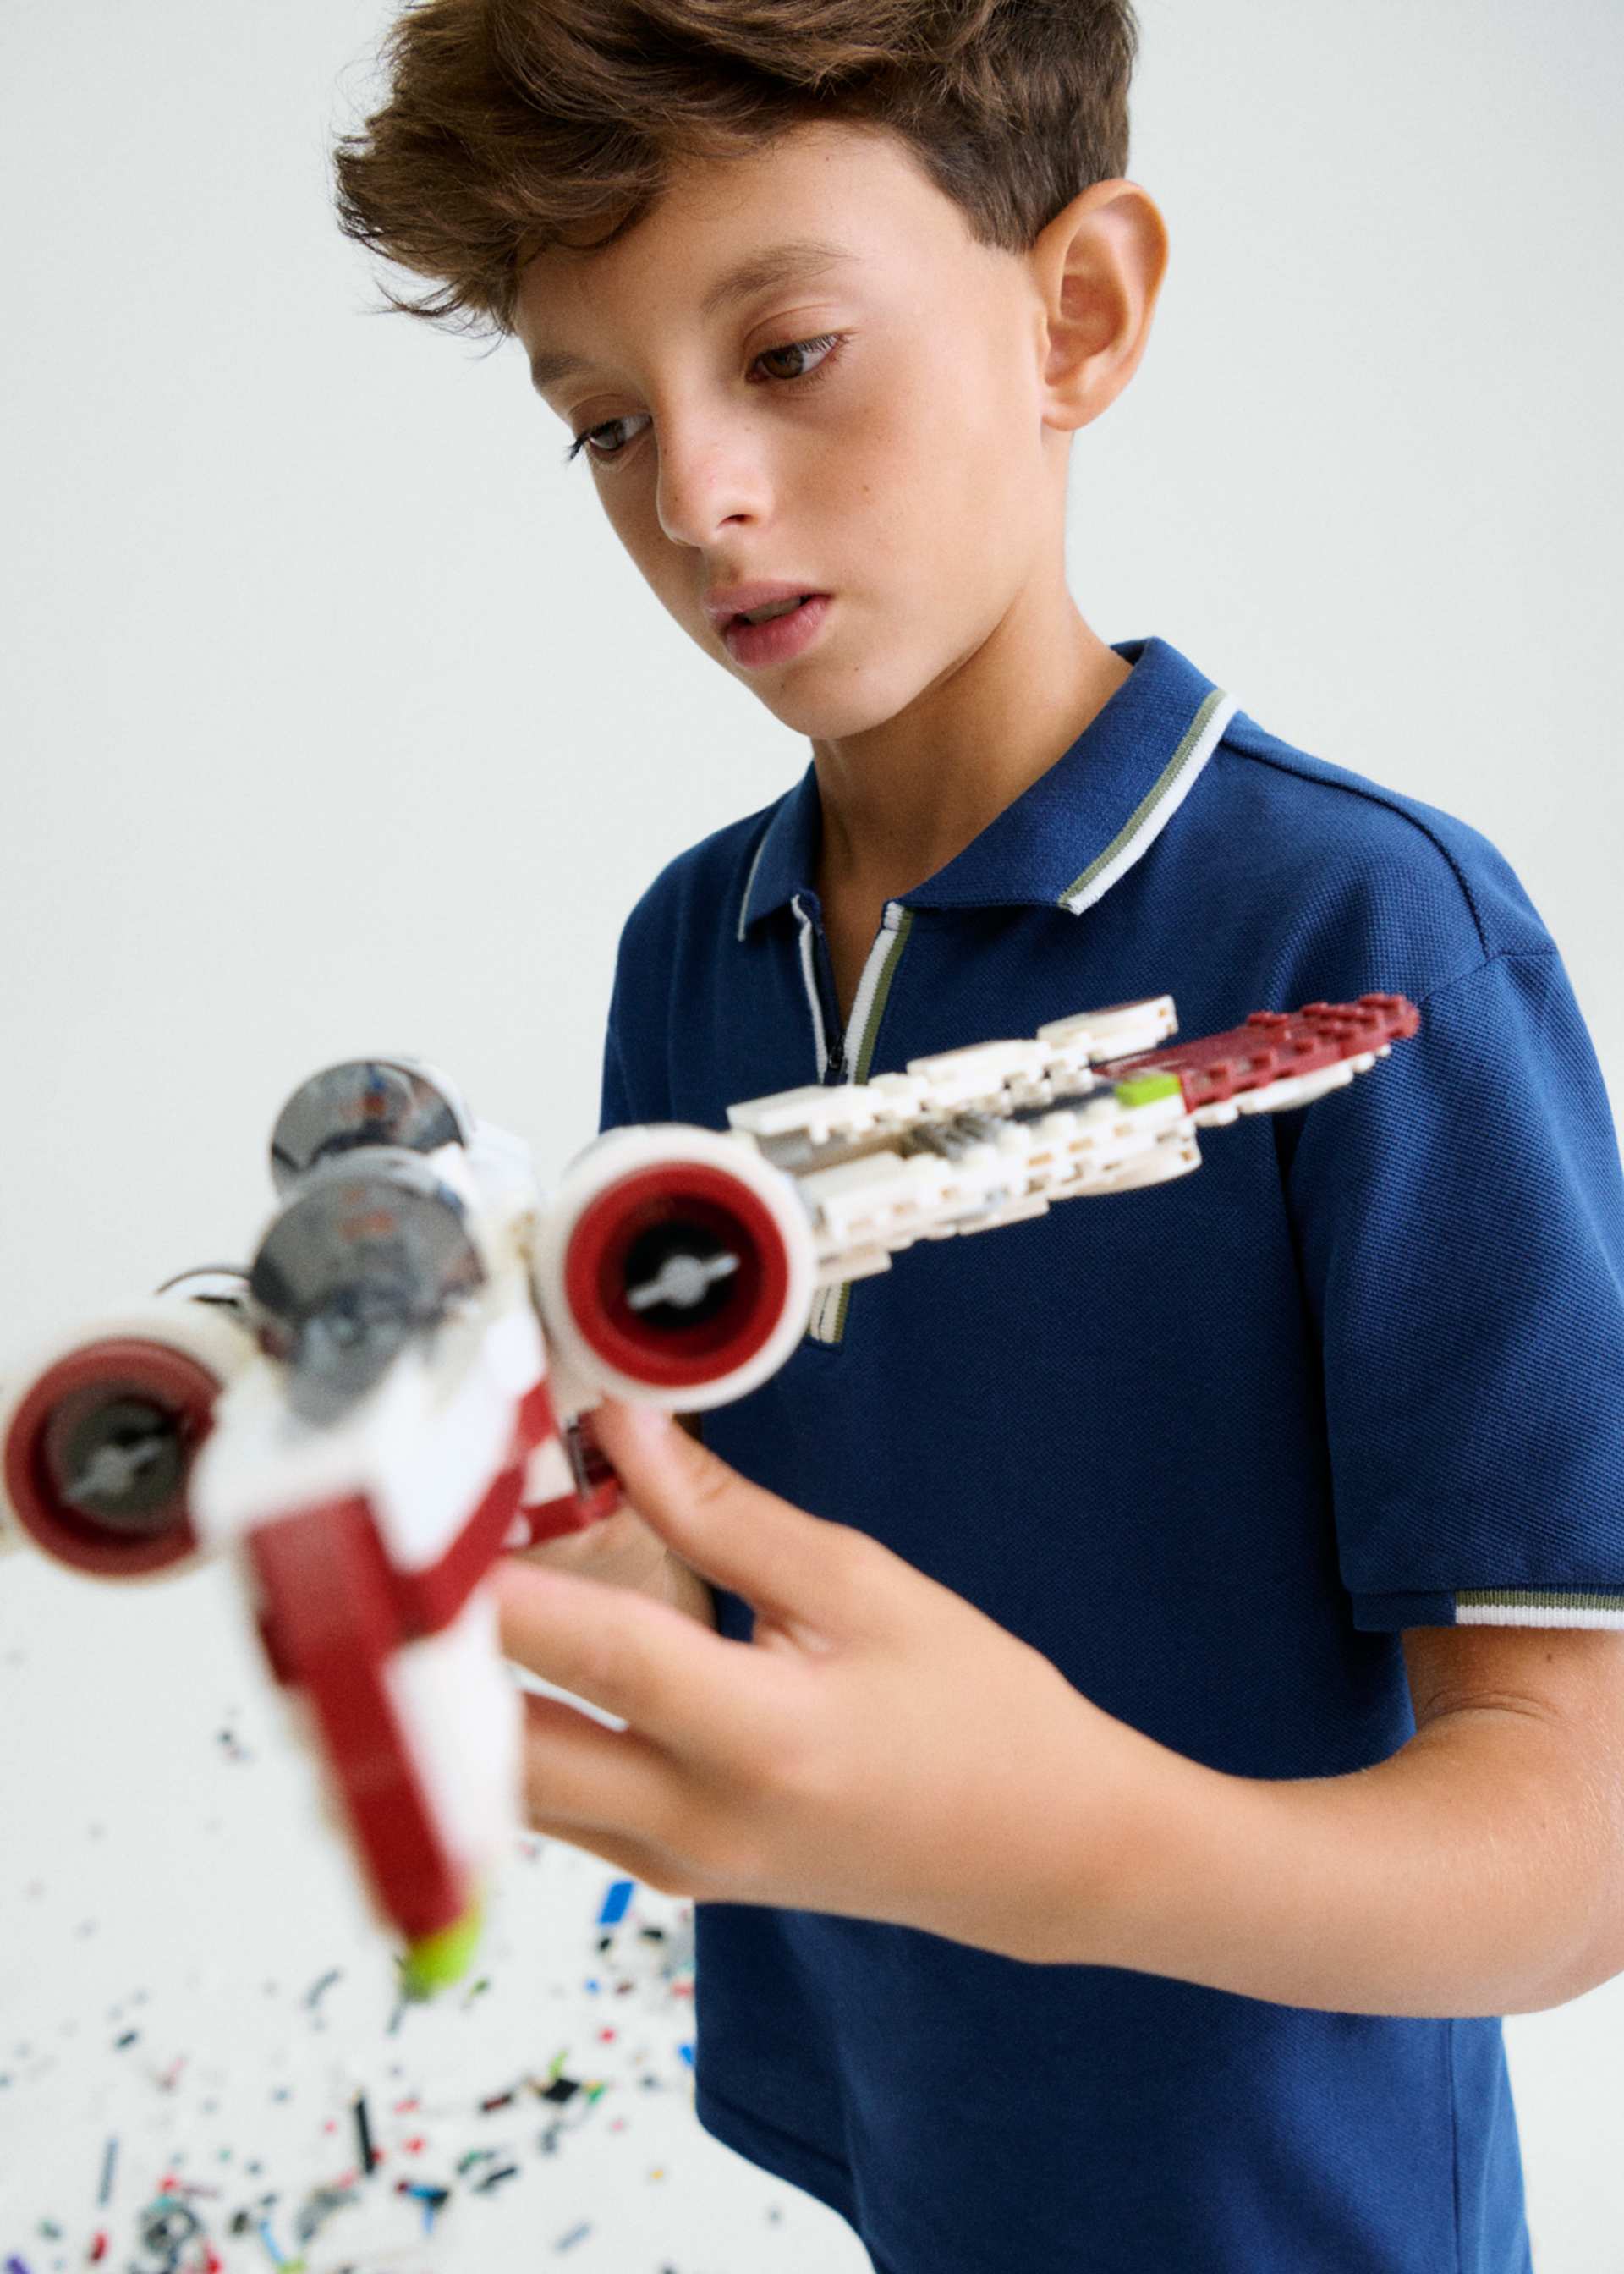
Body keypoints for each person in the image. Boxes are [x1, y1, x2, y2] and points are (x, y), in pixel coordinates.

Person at [330, 7, 1624, 2268]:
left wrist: (1072, 1841)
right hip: (901, 2167)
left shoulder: (1370, 934)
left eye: (796, 353)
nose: (692, 497)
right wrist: (557, 1539)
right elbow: (724, 1546)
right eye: (605, 421)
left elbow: (1582, 1832)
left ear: (1080, 312)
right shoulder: (696, 951)